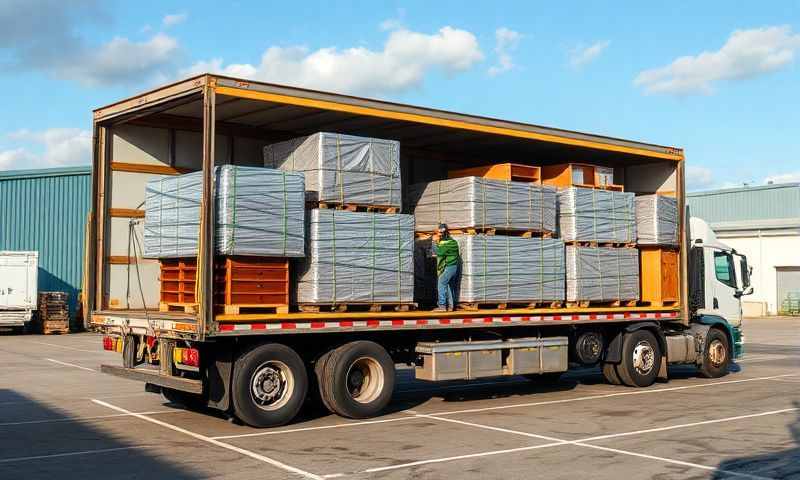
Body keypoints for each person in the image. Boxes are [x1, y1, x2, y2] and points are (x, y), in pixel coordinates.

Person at [431, 223, 460, 312]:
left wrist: (434, 242)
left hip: (449, 267)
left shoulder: (447, 243)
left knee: (441, 283)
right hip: (453, 267)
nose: (439, 235)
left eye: (440, 233)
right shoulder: (453, 242)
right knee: (449, 286)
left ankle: (442, 306)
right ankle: (451, 306)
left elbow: (439, 252)